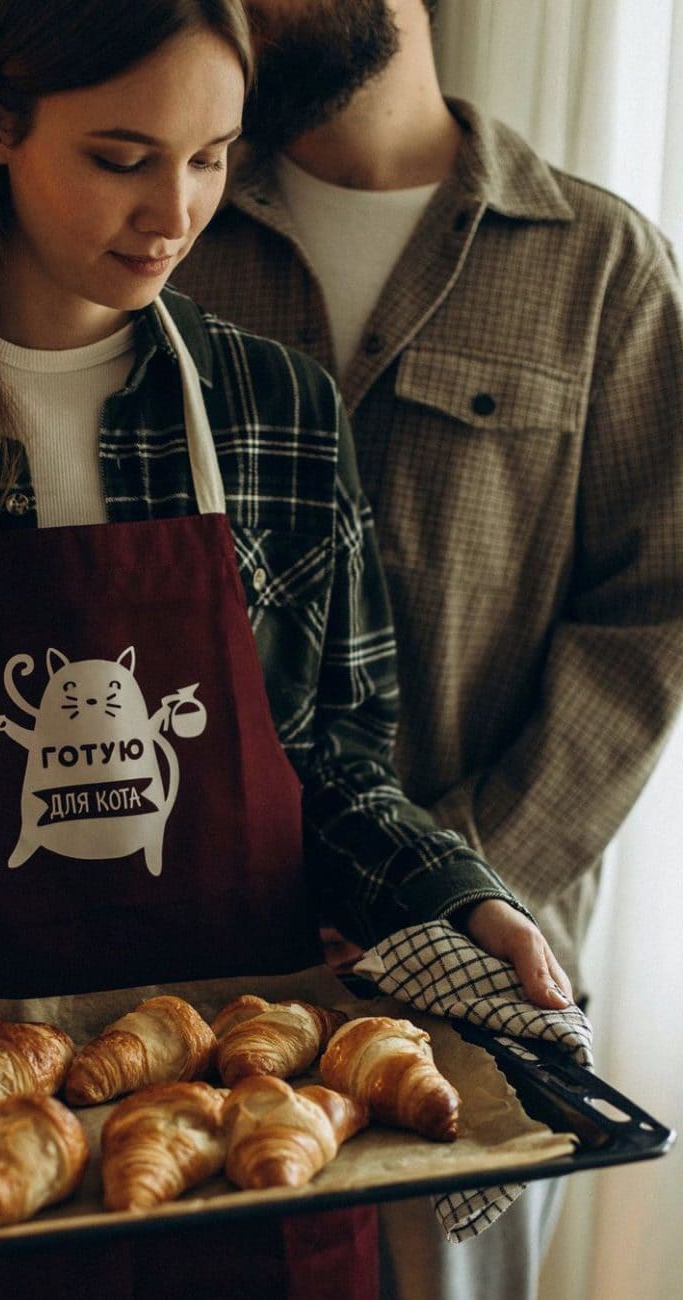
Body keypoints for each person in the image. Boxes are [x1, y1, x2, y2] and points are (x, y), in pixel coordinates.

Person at [0, 1, 575, 1297]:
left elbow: (331, 760)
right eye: (122, 156)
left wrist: (455, 898)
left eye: (211, 156)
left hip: (249, 1153)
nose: (176, 211)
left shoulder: (280, 416)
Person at [174, 0, 683, 1298]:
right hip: (197, 988)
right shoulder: (165, 225)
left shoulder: (601, 264)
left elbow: (651, 622)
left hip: (481, 1002)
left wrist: (444, 893)